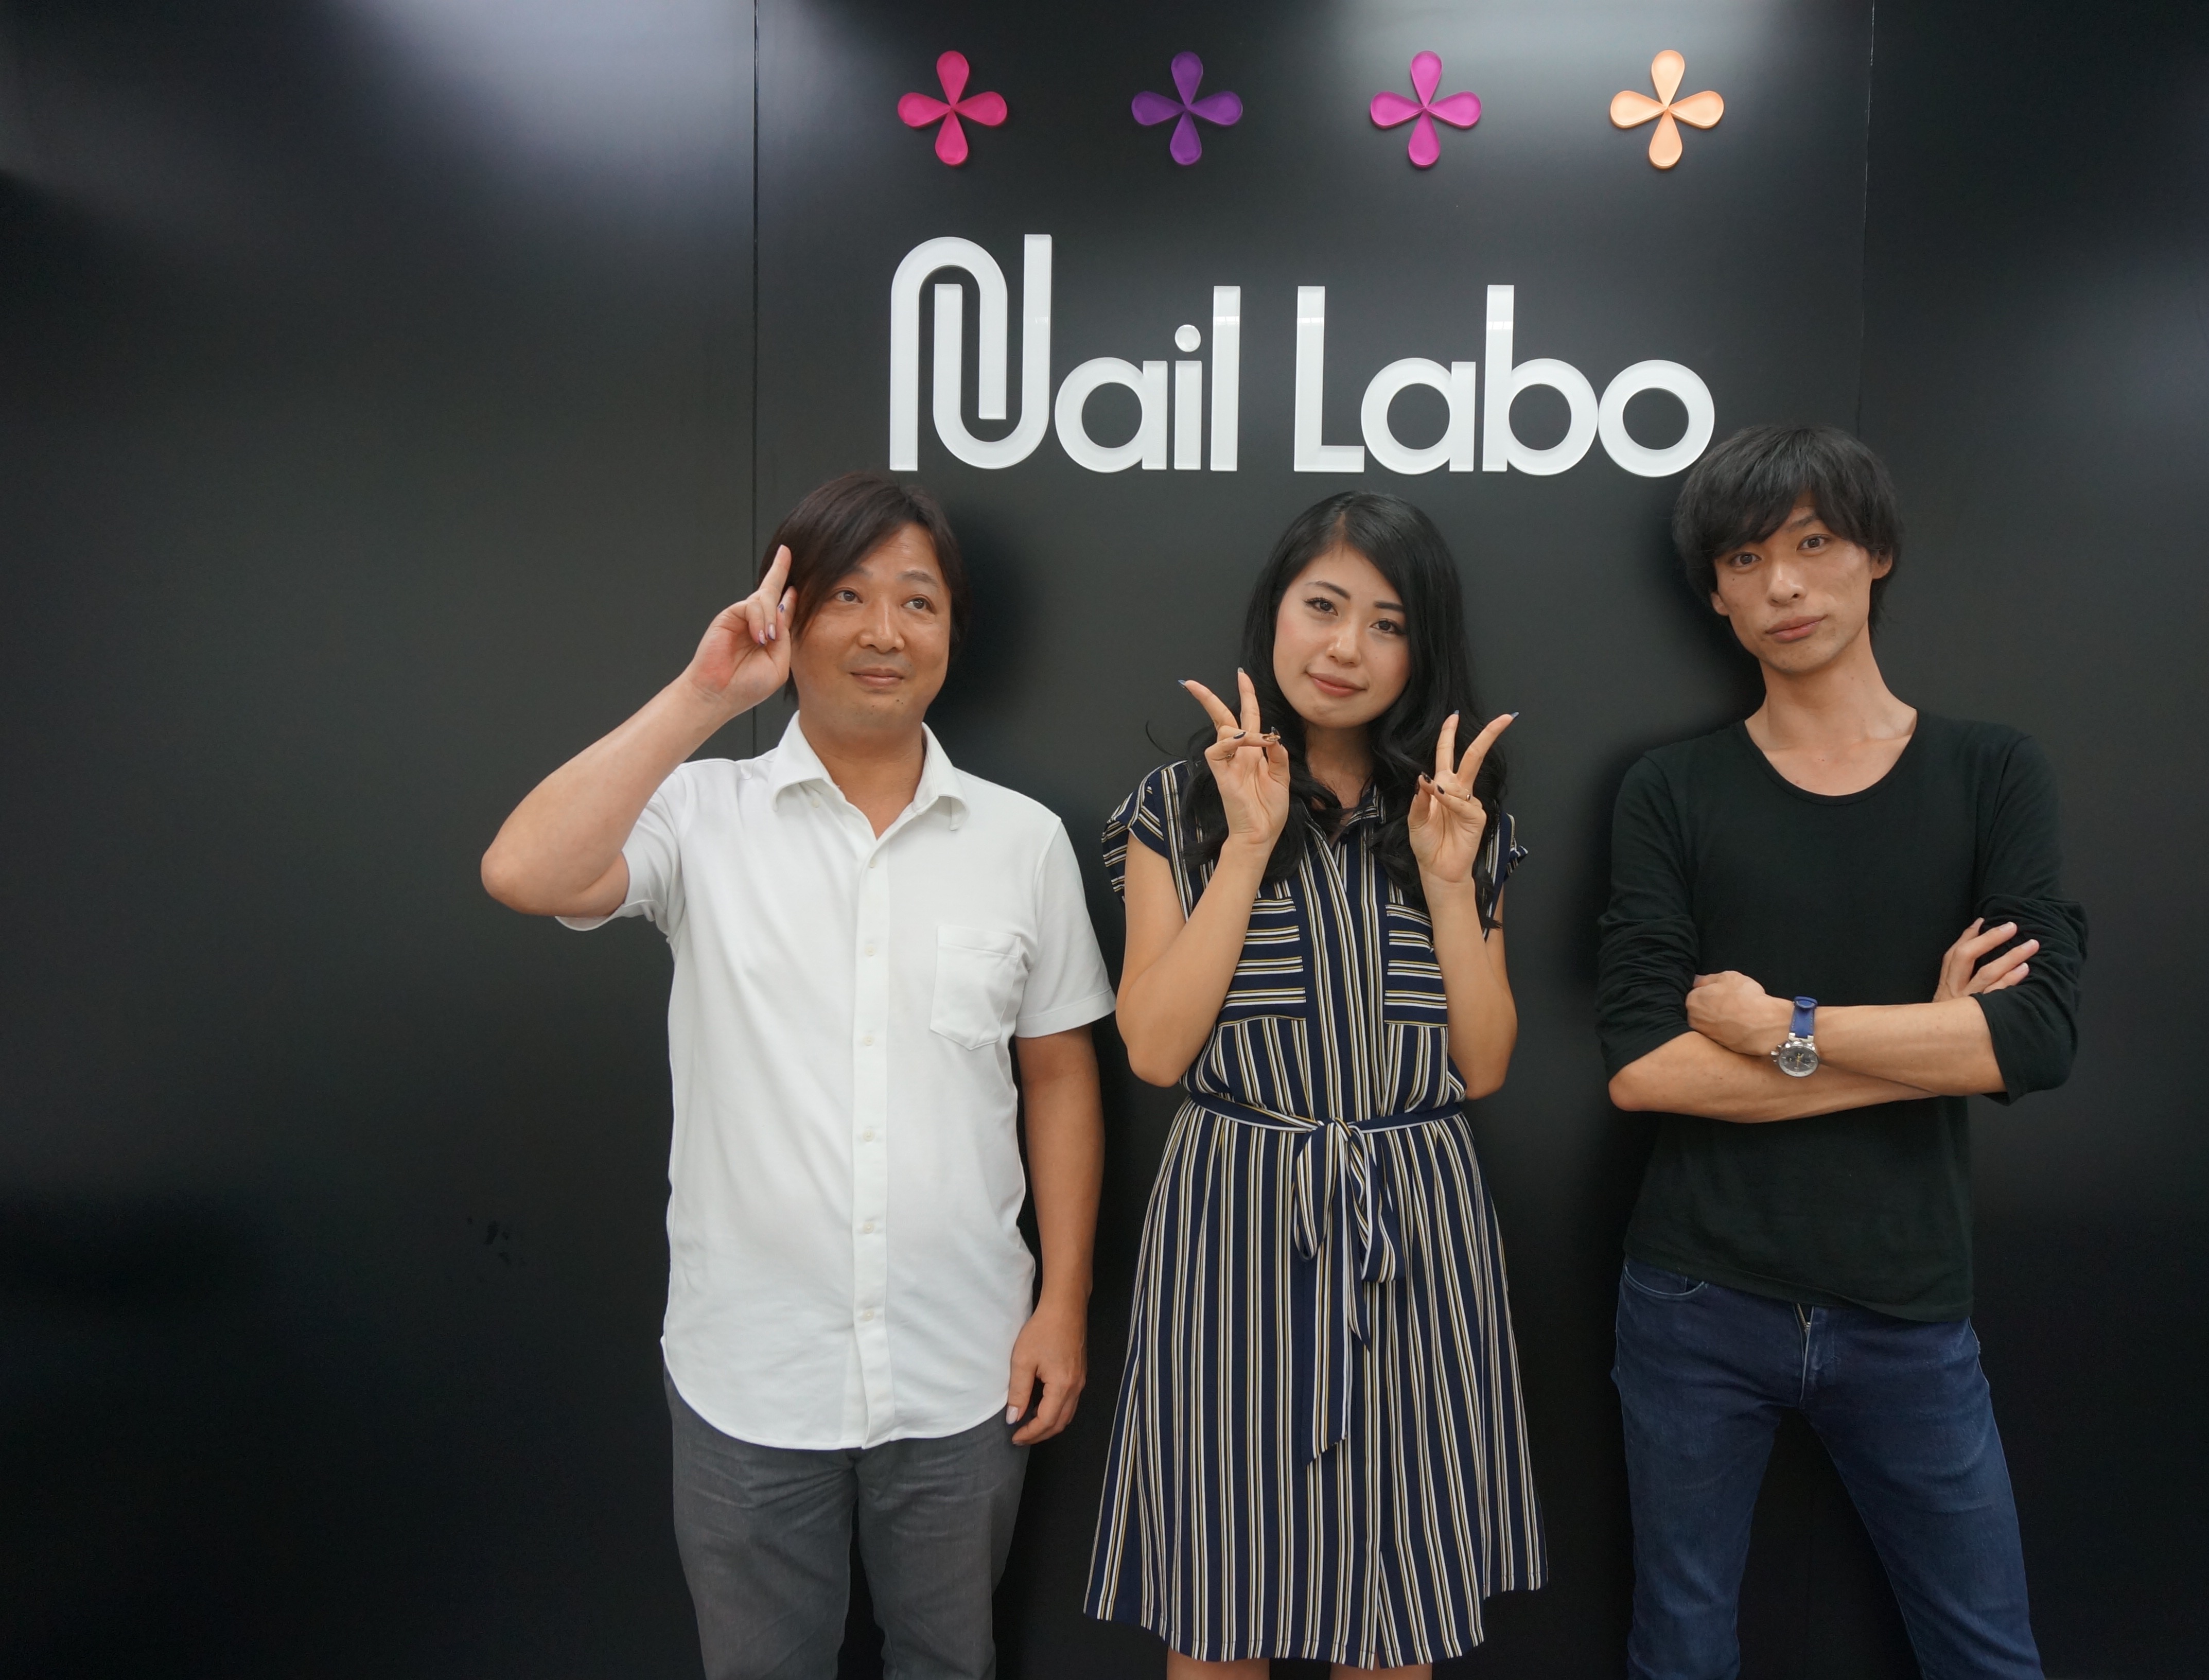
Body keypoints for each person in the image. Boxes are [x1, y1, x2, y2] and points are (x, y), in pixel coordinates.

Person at [478, 472, 1114, 1680]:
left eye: (917, 601)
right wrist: (703, 696)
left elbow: (1057, 1076)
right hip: (749, 1372)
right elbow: (524, 872)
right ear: (789, 615)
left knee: (950, 1662)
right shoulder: (699, 812)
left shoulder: (1020, 841)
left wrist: (1064, 1302)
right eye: (846, 597)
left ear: (951, 633)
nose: (884, 631)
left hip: (962, 1365)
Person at [1597, 425, 2087, 1680]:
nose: (1782, 585)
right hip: (1695, 1300)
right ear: (1714, 594)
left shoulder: (1990, 773)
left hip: (1905, 1304)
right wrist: (1927, 1040)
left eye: (1813, 543)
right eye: (1744, 559)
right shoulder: (1670, 790)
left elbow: (2032, 1041)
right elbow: (1644, 1069)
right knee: (1680, 1648)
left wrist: (1787, 1029)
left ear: (1875, 554)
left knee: (1985, 1652)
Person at [1084, 492, 1547, 1677]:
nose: (1346, 648)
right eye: (1323, 607)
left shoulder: (1455, 817)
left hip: (1413, 1221)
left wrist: (1449, 881)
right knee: (1221, 1595)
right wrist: (1247, 843)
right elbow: (1154, 1050)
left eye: (1386, 624)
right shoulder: (1176, 807)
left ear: (1420, 651)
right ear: (1275, 613)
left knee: (1398, 1610)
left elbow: (1486, 1064)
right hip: (1235, 1218)